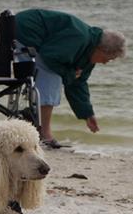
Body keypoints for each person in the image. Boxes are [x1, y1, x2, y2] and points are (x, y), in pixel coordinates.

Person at [15, 9, 126, 148]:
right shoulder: (79, 38)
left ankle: (34, 123)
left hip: (37, 41)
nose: (105, 63)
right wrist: (69, 74)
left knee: (55, 74)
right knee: (52, 76)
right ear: (101, 49)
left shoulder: (88, 54)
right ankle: (44, 134)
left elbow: (78, 83)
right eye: (108, 59)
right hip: (24, 32)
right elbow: (50, 56)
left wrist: (87, 113)